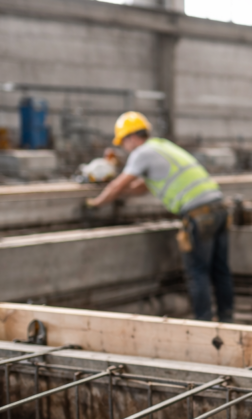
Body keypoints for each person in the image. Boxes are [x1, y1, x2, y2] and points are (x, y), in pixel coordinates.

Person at [87, 112, 234, 322]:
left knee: (198, 273)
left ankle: (205, 325)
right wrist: (122, 192)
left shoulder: (142, 153)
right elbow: (143, 186)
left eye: (123, 142)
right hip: (219, 208)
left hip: (198, 214)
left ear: (130, 138)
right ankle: (227, 320)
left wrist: (95, 203)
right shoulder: (161, 146)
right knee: (220, 270)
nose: (124, 147)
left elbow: (118, 184)